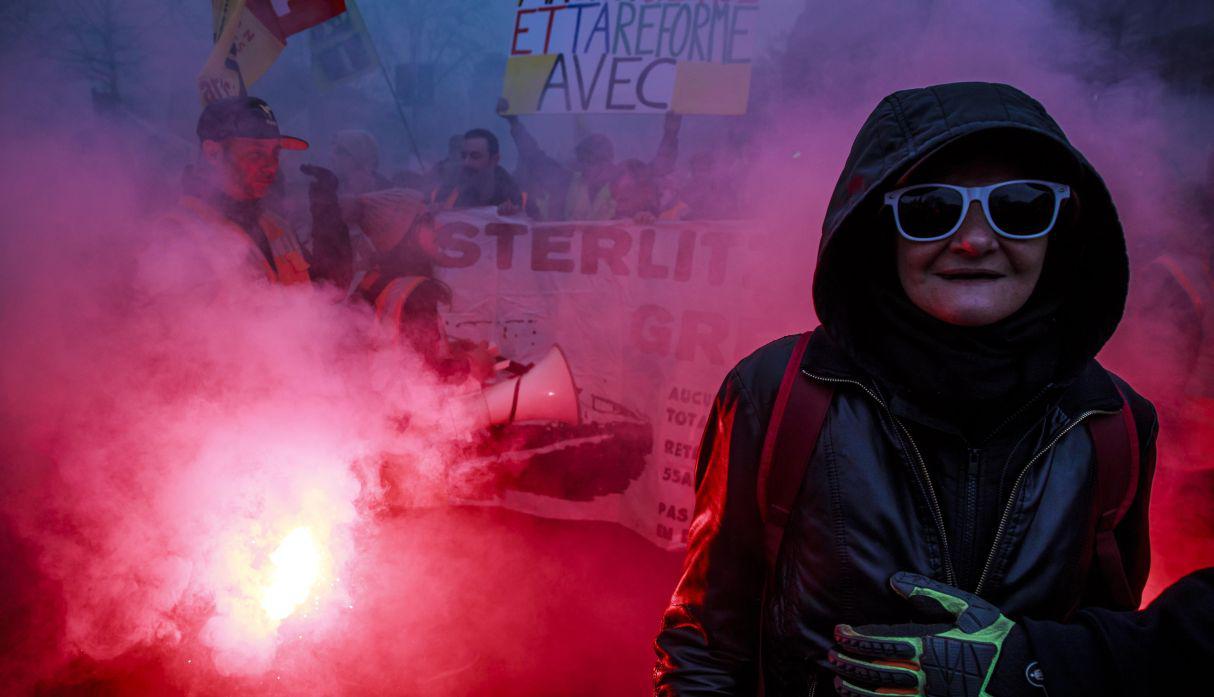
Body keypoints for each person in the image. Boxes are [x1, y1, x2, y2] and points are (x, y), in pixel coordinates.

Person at [653, 81, 1214, 696]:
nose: (974, 240)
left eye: (1020, 205)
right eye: (930, 209)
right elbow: (704, 651)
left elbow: (1110, 655)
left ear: (1062, 230)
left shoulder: (1115, 423)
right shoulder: (779, 392)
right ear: (879, 231)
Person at [165, 96, 351, 289]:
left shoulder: (276, 227)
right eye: (256, 154)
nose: (271, 167)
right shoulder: (178, 234)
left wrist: (326, 209)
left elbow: (327, 291)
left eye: (275, 153)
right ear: (213, 153)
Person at [498, 98, 681, 221]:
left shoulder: (630, 180)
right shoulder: (567, 181)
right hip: (574, 270)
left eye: (595, 160)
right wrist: (514, 123)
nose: (589, 167)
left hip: (615, 267)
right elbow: (534, 157)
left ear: (609, 160)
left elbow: (661, 166)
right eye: (584, 160)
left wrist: (671, 134)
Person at [434, 128, 525, 214]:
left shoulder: (515, 196)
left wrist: (513, 214)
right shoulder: (449, 187)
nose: (466, 162)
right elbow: (431, 212)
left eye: (475, 156)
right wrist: (432, 209)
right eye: (464, 156)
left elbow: (531, 224)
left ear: (494, 160)